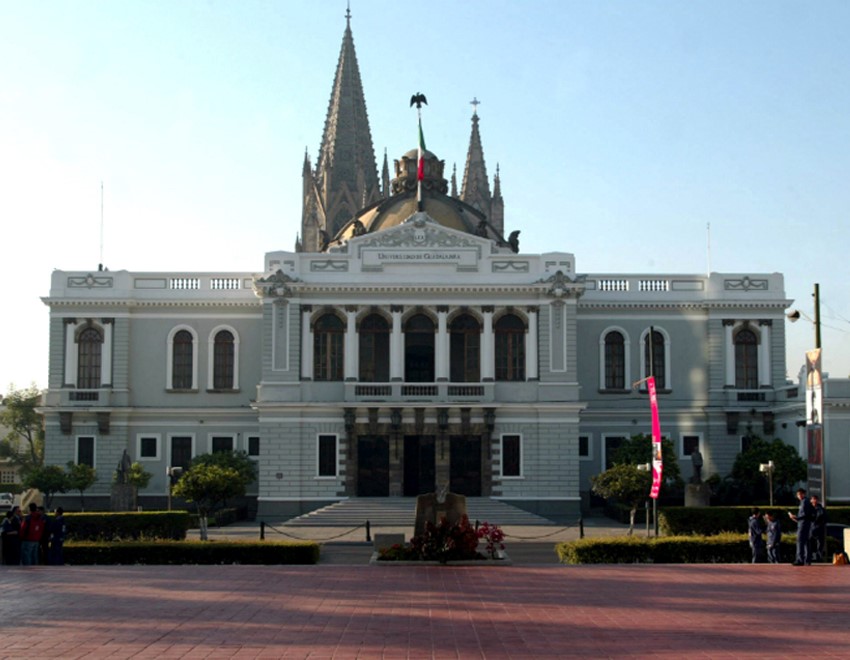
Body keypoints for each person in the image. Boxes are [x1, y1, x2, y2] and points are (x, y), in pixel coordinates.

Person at [789, 488, 815, 565]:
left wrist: (795, 517)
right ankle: (807, 560)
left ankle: (800, 560)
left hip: (803, 524)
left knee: (800, 541)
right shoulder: (805, 502)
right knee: (806, 542)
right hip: (805, 524)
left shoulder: (804, 502)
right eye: (797, 494)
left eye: (800, 494)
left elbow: (804, 514)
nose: (799, 496)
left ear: (804, 494)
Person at [809, 495, 827, 562]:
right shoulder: (809, 509)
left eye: (815, 499)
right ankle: (809, 556)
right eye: (813, 499)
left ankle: (819, 558)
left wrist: (818, 522)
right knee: (810, 543)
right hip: (811, 529)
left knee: (820, 544)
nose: (814, 501)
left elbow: (824, 519)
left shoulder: (821, 509)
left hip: (819, 529)